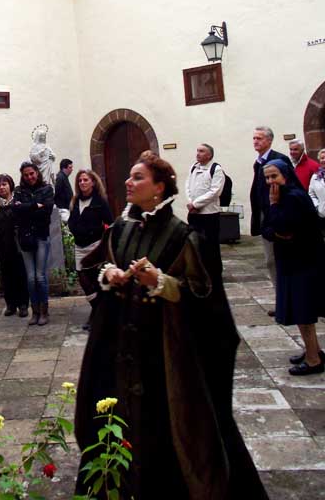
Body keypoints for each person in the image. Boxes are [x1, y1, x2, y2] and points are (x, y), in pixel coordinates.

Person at [75, 151, 268, 500]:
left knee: (162, 428)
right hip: (121, 348)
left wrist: (160, 281)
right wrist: (112, 274)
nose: (128, 183)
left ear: (159, 188)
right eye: (129, 177)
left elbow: (205, 299)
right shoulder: (121, 228)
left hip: (163, 354)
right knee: (119, 420)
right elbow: (99, 265)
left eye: (137, 178)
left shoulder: (183, 236)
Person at [263, 159, 325, 375]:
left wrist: (273, 206)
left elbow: (282, 229)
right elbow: (269, 230)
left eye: (274, 176)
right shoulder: (286, 197)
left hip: (302, 262)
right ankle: (314, 349)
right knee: (302, 310)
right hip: (293, 261)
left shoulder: (292, 198)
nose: (271, 181)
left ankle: (313, 359)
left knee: (303, 312)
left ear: (285, 175)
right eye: (268, 178)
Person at [250, 126, 293, 312]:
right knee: (271, 261)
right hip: (266, 217)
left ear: (269, 140)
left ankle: (288, 300)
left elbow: (289, 186)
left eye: (259, 138)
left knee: (282, 259)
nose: (255, 141)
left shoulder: (279, 159)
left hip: (278, 216)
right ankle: (281, 299)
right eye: (254, 138)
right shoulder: (258, 162)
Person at [68, 169, 113, 330]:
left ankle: (98, 315)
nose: (82, 183)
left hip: (95, 245)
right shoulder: (75, 200)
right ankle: (97, 310)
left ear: (93, 182)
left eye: (85, 180)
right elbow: (72, 220)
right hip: (79, 245)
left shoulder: (99, 201)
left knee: (95, 280)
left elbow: (110, 222)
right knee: (84, 280)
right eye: (80, 180)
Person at [12, 162, 54, 325]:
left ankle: (44, 312)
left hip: (42, 236)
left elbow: (47, 211)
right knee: (30, 278)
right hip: (26, 237)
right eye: (26, 174)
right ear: (22, 176)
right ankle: (35, 312)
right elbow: (15, 210)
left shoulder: (47, 189)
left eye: (32, 173)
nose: (29, 177)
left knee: (40, 277)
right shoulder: (19, 191)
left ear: (37, 172)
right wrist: (35, 206)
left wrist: (26, 208)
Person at [0, 174, 29, 318]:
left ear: (10, 185)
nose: (1, 187)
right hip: (2, 245)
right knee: (6, 276)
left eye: (4, 184)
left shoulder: (17, 201)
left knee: (20, 274)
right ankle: (11, 305)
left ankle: (23, 305)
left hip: (17, 245)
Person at [185, 143, 225, 285]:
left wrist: (196, 204)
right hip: (194, 214)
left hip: (209, 215)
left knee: (211, 246)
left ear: (209, 155)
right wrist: (190, 202)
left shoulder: (216, 169)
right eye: (197, 151)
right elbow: (188, 186)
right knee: (195, 245)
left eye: (201, 151)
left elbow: (215, 192)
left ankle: (214, 274)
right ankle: (198, 272)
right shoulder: (193, 167)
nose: (198, 153)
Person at [308, 147, 325, 228]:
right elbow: (311, 194)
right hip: (323, 215)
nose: (324, 160)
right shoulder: (315, 176)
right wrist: (318, 207)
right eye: (322, 158)